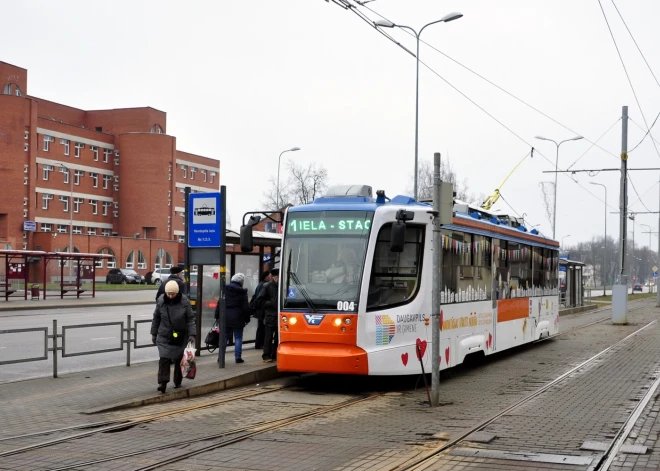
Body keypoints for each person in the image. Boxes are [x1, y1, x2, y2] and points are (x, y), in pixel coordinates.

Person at [150, 280, 196, 393]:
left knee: (178, 359)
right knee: (164, 359)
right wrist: (153, 333)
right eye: (168, 293)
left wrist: (192, 334)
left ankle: (177, 381)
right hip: (164, 335)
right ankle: (162, 382)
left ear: (177, 292)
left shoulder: (185, 302)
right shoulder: (161, 301)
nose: (170, 296)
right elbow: (156, 318)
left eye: (173, 294)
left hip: (180, 335)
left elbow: (190, 319)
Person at [215, 273, 252, 364]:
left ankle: (221, 357)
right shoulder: (242, 292)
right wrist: (247, 319)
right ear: (241, 282)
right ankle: (238, 357)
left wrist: (217, 316)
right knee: (238, 337)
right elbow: (245, 307)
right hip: (238, 317)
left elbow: (219, 303)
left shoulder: (224, 290)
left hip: (225, 317)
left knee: (224, 337)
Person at [257, 268, 279, 362]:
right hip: (270, 315)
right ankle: (266, 355)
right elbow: (259, 301)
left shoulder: (282, 285)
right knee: (268, 336)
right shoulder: (267, 286)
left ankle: (275, 354)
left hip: (280, 316)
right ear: (274, 277)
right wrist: (271, 303)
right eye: (278, 276)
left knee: (278, 337)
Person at [251, 270, 271, 349]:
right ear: (266, 277)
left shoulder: (260, 284)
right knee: (262, 327)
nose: (271, 278)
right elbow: (260, 299)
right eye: (269, 276)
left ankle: (258, 343)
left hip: (260, 310)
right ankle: (259, 344)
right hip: (262, 310)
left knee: (261, 327)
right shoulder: (264, 285)